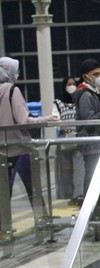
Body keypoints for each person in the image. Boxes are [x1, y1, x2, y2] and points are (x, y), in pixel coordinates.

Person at [0, 58, 57, 207]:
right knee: (33, 189)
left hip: (1, 150)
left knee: (4, 193)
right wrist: (46, 120)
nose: (17, 74)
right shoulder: (12, 90)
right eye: (16, 71)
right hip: (19, 148)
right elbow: (23, 120)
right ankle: (42, 223)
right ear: (9, 71)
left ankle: (4, 227)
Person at [73, 58, 100, 213]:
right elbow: (90, 122)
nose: (99, 77)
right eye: (95, 74)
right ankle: (94, 217)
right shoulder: (85, 95)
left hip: (97, 146)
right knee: (94, 184)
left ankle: (98, 215)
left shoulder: (93, 93)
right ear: (86, 77)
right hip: (92, 147)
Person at [53, 76, 85, 205]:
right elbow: (55, 118)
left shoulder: (79, 100)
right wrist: (62, 126)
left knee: (79, 169)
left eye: (73, 84)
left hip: (78, 139)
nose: (71, 86)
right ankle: (69, 195)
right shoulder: (58, 102)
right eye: (69, 84)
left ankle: (78, 194)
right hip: (64, 141)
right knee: (65, 171)